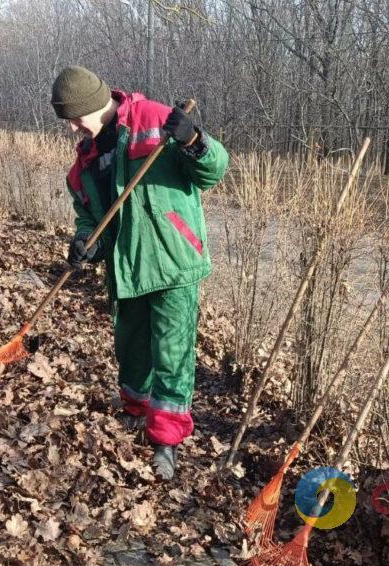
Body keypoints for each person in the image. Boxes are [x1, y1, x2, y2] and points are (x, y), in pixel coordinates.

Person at [51, 66, 229, 480]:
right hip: (125, 267)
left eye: (77, 117)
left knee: (171, 354)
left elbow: (213, 170)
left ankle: (166, 442)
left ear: (96, 104)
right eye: (69, 121)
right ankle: (135, 411)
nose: (74, 127)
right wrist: (85, 243)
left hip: (172, 261)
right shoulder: (86, 160)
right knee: (131, 350)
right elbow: (87, 214)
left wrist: (194, 141)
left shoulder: (153, 120)